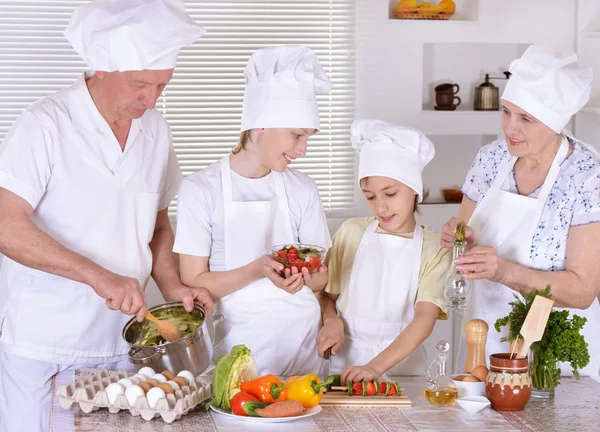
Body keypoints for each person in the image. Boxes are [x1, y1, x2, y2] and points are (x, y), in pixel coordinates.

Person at [0, 1, 212, 431]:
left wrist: (173, 289)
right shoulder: (45, 124)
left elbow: (157, 223)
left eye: (161, 86)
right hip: (47, 339)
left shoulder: (156, 130)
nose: (151, 99)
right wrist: (98, 276)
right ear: (101, 68)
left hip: (125, 343)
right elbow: (7, 225)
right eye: (140, 84)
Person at [440, 45, 600, 376]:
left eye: (526, 118)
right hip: (483, 337)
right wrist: (460, 239)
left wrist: (505, 272)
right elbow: (464, 238)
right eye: (506, 111)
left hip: (554, 354)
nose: (511, 128)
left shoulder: (587, 176)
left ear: (555, 122)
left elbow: (583, 291)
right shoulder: (491, 158)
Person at [173, 45, 332, 376]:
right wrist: (258, 269)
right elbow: (193, 280)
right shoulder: (201, 189)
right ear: (261, 125)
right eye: (298, 135)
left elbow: (322, 276)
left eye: (308, 137)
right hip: (238, 351)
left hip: (305, 349)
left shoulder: (303, 189)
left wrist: (304, 280)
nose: (303, 150)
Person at [316, 120, 451, 384]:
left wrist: (375, 368)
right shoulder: (351, 232)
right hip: (343, 368)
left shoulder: (434, 247)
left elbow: (425, 319)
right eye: (370, 197)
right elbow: (326, 297)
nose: (381, 207)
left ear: (415, 189)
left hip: (404, 373)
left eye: (390, 194)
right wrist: (331, 320)